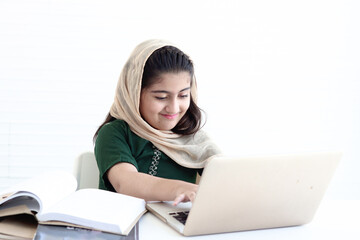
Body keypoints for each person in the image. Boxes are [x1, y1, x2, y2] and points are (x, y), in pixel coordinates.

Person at [94, 39, 221, 206]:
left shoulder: (195, 139)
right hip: (124, 229)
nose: (174, 108)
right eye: (161, 97)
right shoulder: (115, 133)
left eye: (183, 95)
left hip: (174, 230)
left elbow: (225, 180)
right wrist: (180, 189)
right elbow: (125, 182)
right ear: (134, 93)